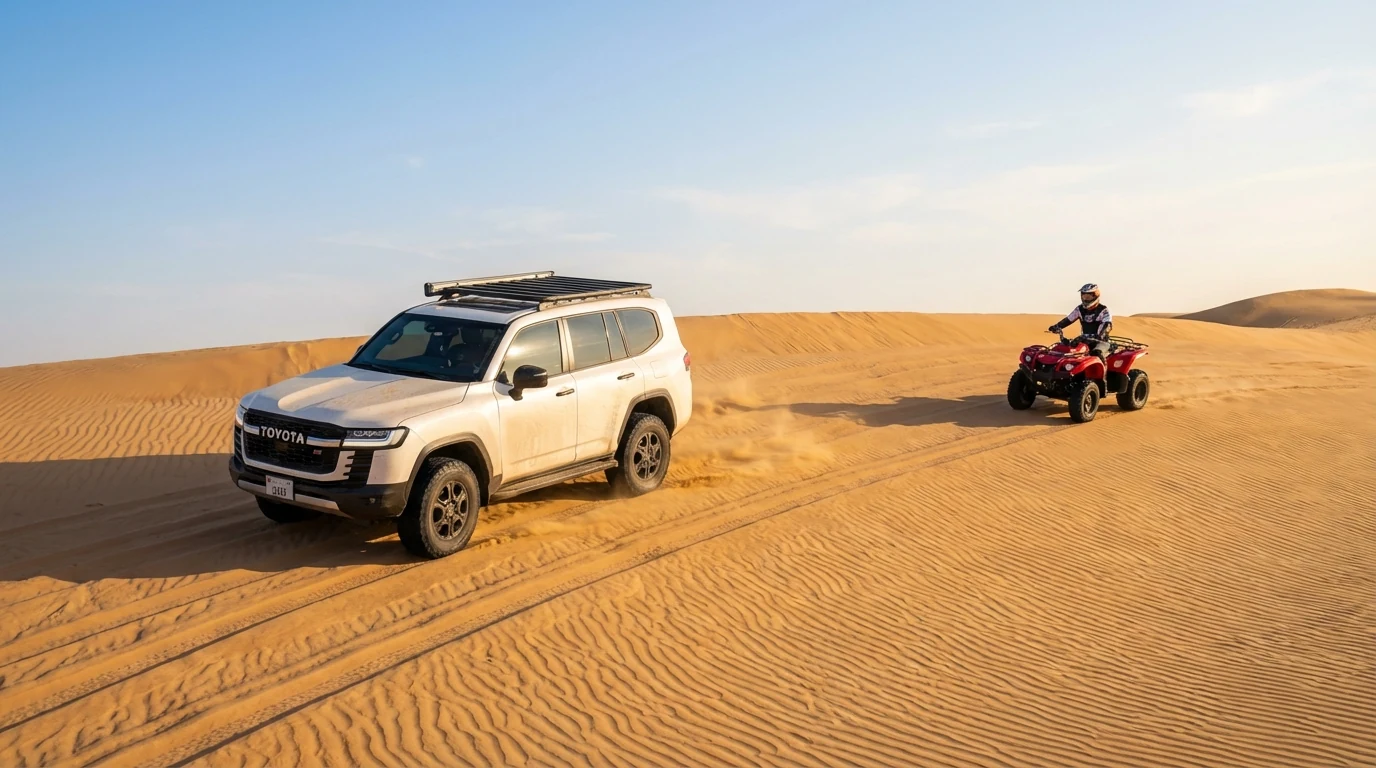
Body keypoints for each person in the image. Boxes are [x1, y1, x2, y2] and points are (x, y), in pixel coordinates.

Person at [1048, 283, 1113, 359]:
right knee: (1064, 350)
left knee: (1096, 353)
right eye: (1084, 296)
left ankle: (1104, 370)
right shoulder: (1080, 309)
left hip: (1101, 342)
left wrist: (1100, 335)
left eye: (1088, 297)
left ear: (1095, 296)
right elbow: (1068, 319)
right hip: (1083, 340)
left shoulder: (1104, 310)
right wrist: (1057, 326)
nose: (1086, 299)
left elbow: (1107, 326)